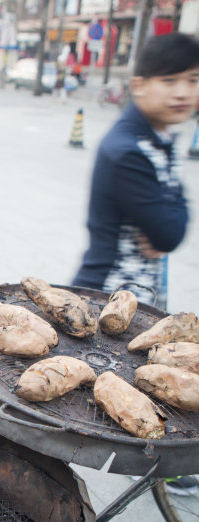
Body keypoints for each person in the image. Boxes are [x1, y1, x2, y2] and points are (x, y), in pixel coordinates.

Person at [73, 31, 199, 495]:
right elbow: (171, 229)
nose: (184, 92)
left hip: (135, 291)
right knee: (106, 381)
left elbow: (172, 221)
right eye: (171, 81)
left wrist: (168, 215)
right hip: (109, 295)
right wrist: (166, 219)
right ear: (140, 85)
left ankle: (161, 458)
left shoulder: (156, 138)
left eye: (193, 79)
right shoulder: (128, 149)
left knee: (142, 375)